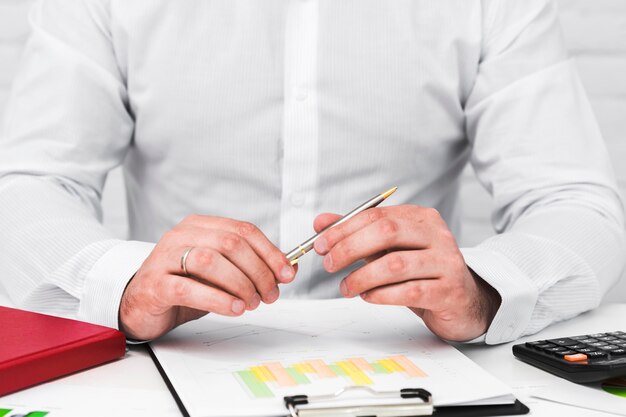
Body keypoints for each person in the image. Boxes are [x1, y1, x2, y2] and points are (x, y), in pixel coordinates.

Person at [0, 0, 624, 344]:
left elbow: (574, 199)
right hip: (173, 362)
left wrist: (485, 289)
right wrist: (126, 282)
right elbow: (25, 184)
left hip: (412, 365)